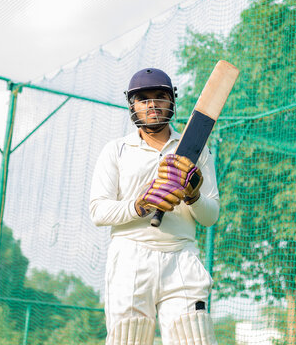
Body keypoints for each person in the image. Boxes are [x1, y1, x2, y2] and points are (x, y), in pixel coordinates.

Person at [89, 67, 220, 344]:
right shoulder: (117, 150)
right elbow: (98, 211)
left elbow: (210, 217)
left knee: (195, 338)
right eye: (143, 98)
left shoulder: (198, 148)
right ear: (132, 104)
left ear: (172, 101)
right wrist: (140, 204)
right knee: (129, 339)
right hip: (130, 258)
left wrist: (193, 196)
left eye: (160, 96)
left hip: (182, 257)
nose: (152, 104)